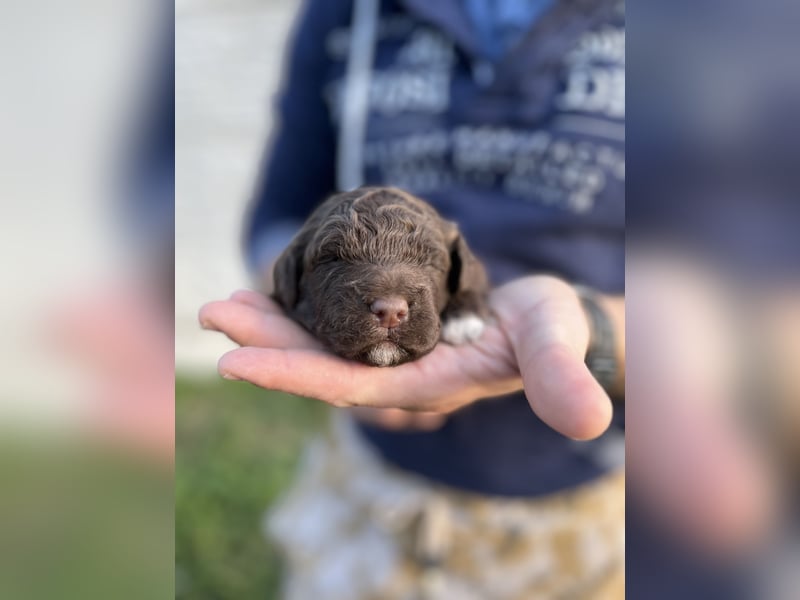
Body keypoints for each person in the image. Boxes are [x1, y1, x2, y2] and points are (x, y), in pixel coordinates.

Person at [202, 0, 626, 597]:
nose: (392, 306)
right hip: (371, 495)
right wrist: (293, 294)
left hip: (593, 510)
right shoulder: (344, 13)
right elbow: (279, 220)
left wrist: (598, 331)